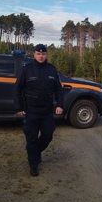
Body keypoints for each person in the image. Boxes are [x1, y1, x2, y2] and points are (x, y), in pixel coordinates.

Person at [14, 44, 63, 177]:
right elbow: (17, 89)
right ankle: (33, 165)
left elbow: (58, 89)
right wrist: (18, 107)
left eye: (43, 54)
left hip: (47, 111)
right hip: (31, 111)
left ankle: (35, 152)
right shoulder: (27, 70)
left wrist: (60, 104)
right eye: (38, 54)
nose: (41, 56)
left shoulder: (52, 70)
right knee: (31, 139)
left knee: (48, 134)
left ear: (46, 55)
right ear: (34, 55)